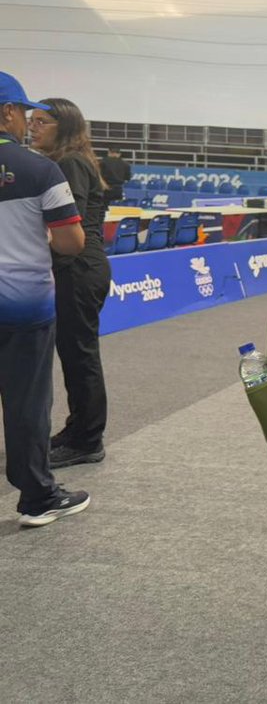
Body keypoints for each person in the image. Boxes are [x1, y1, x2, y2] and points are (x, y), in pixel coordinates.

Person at [0, 73, 91, 527]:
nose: (27, 124)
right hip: (25, 309)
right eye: (24, 113)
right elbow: (71, 242)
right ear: (8, 112)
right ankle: (37, 498)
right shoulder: (40, 169)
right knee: (26, 405)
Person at [28, 98, 114, 468]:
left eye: (42, 122)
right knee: (73, 352)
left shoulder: (71, 163)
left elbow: (69, 223)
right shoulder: (64, 162)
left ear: (64, 127)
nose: (33, 127)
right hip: (74, 267)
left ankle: (87, 439)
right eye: (31, 120)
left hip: (78, 268)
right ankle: (78, 429)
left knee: (80, 354)